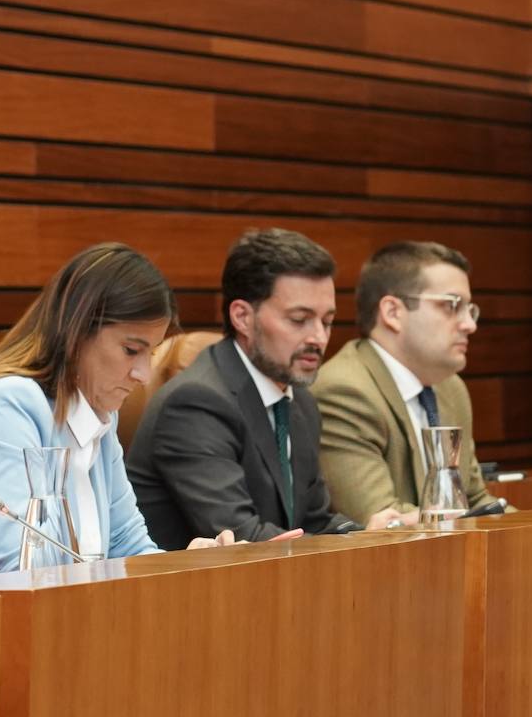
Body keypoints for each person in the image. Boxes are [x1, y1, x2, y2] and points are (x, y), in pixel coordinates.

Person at [0, 242, 233, 575]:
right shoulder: (3, 406)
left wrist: (187, 562)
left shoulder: (97, 413)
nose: (143, 374)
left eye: (150, 355)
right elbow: (22, 568)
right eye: (130, 350)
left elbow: (127, 546)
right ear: (77, 332)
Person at [126, 228, 404, 549]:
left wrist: (370, 536)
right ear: (243, 317)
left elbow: (313, 520)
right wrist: (355, 548)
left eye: (327, 321)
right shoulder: (196, 403)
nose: (319, 337)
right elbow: (247, 539)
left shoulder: (299, 400)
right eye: (299, 319)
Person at [315, 241, 499, 523]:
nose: (469, 325)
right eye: (451, 305)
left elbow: (477, 501)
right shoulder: (344, 391)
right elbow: (382, 520)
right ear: (393, 312)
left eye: (469, 310)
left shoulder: (450, 387)